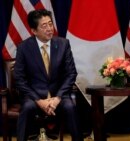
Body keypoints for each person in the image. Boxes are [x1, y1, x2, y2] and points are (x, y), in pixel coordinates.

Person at [14, 9, 82, 141]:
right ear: (34, 31)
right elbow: (19, 79)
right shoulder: (24, 48)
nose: (49, 29)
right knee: (27, 107)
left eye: (50, 24)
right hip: (35, 97)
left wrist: (57, 98)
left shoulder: (63, 44)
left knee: (70, 106)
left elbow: (71, 74)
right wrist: (39, 101)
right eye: (44, 26)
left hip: (58, 94)